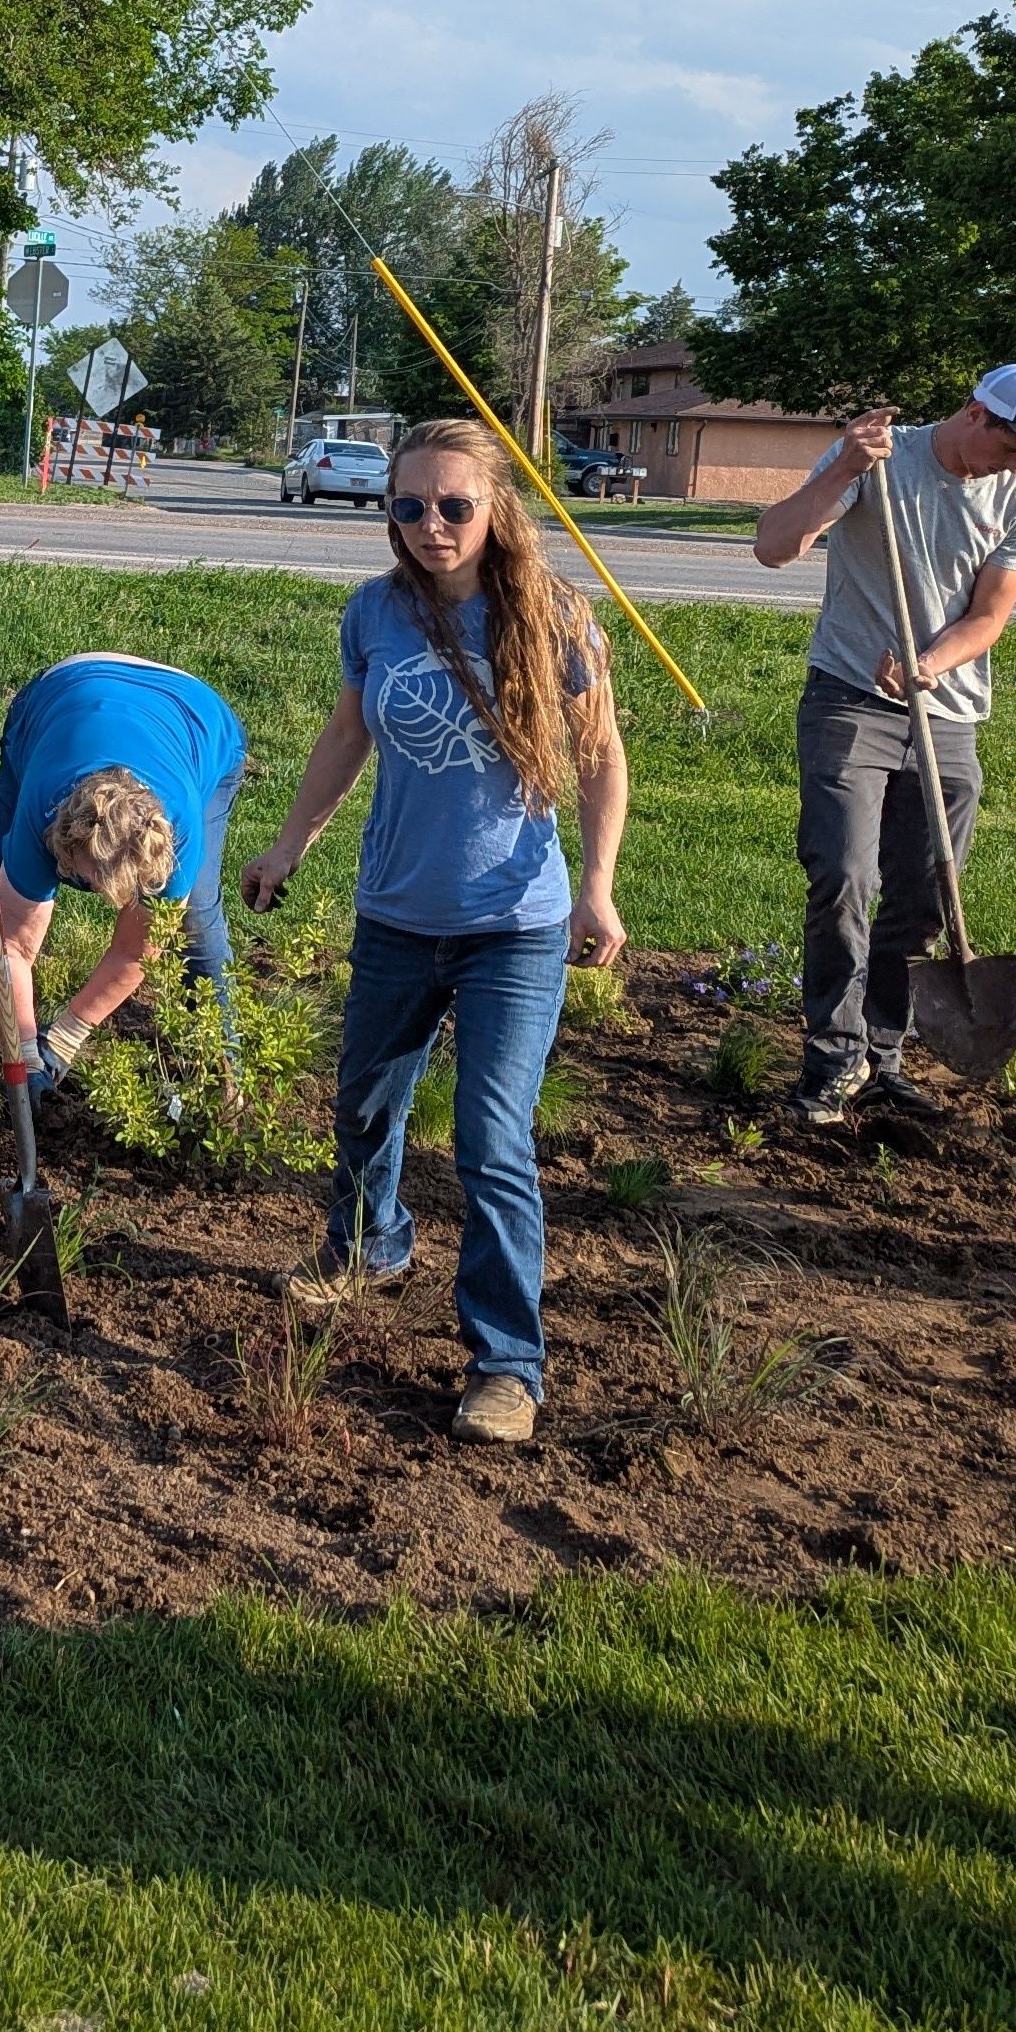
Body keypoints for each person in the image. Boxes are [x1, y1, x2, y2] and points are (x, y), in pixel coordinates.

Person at [241, 418, 628, 1448]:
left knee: (494, 1142)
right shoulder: (375, 613)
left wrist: (597, 887)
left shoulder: (552, 617)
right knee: (364, 1106)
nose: (430, 524)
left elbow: (599, 759)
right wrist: (289, 847)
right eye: (407, 506)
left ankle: (507, 1364)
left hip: (514, 926)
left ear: (495, 508)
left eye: (454, 504)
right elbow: (345, 735)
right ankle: (369, 1243)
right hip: (398, 915)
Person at [748, 360, 1016, 1126]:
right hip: (850, 702)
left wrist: (926, 666)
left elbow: (989, 617)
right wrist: (846, 470)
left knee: (922, 897)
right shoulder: (881, 459)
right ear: (975, 415)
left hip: (947, 712)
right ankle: (833, 1060)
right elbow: (773, 545)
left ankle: (882, 1058)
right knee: (844, 877)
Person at [0, 644, 250, 1107]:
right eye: (86, 880)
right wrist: (28, 1052)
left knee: (196, 915)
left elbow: (134, 951)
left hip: (196, 716)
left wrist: (65, 1038)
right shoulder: (43, 808)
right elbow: (13, 945)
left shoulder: (178, 833)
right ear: (60, 845)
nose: (100, 898)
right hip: (63, 693)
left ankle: (221, 1067)